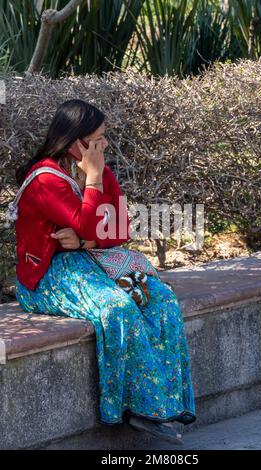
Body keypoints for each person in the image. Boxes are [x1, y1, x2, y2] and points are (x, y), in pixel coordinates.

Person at [13, 99, 196, 445]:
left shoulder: (102, 172)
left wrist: (85, 242)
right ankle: (134, 408)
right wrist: (93, 182)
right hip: (48, 277)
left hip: (91, 259)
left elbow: (122, 227)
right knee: (118, 308)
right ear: (74, 142)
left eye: (104, 138)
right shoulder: (45, 180)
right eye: (97, 139)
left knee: (162, 299)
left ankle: (169, 406)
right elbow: (89, 220)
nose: (104, 146)